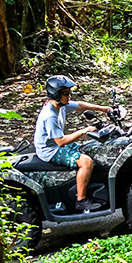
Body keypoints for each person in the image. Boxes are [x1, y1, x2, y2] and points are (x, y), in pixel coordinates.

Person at [34, 75, 112, 212]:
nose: (69, 96)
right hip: (50, 151)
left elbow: (80, 106)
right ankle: (81, 200)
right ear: (56, 94)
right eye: (66, 93)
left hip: (55, 144)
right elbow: (61, 142)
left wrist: (104, 109)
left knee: (90, 149)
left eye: (70, 93)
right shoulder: (50, 116)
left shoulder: (60, 105)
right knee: (86, 162)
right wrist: (84, 131)